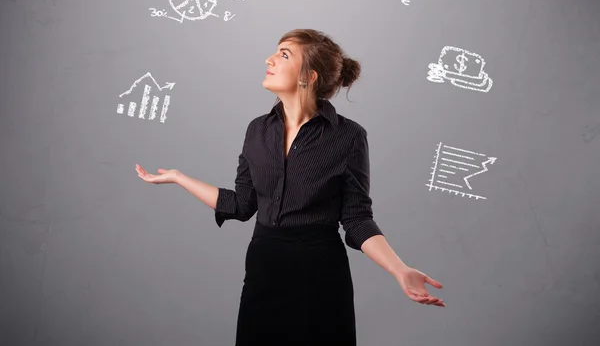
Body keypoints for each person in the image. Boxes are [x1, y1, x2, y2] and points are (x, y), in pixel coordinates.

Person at [135, 29, 445, 346]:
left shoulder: (349, 137)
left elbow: (356, 219)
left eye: (284, 54)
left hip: (320, 277)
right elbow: (242, 205)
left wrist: (399, 269)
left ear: (308, 76)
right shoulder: (257, 130)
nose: (269, 59)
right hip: (263, 272)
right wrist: (178, 177)